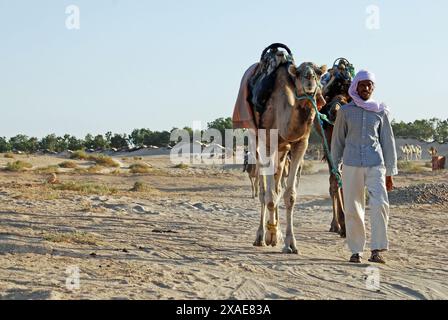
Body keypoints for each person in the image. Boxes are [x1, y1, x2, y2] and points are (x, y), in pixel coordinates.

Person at [331, 70, 398, 264]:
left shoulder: (380, 111)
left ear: (373, 88)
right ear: (355, 87)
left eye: (369, 85)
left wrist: (390, 172)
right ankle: (356, 250)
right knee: (353, 208)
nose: (366, 88)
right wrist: (335, 169)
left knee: (380, 205)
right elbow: (337, 142)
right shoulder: (345, 112)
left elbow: (388, 142)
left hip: (376, 164)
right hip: (351, 165)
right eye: (362, 84)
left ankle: (376, 249)